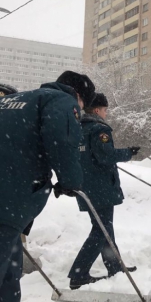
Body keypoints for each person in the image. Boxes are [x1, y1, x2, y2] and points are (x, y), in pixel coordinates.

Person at [0, 70, 95, 302]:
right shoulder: (62, 101)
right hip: (9, 198)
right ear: (79, 96)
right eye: (83, 106)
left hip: (7, 195)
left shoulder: (12, 100)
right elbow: (62, 142)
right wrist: (70, 182)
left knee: (10, 269)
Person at [67, 93, 141, 290]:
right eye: (106, 110)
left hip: (86, 187)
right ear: (98, 110)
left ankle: (115, 266)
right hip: (101, 188)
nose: (107, 114)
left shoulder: (78, 128)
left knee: (104, 227)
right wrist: (128, 153)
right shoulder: (100, 129)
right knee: (101, 230)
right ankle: (79, 273)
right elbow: (104, 156)